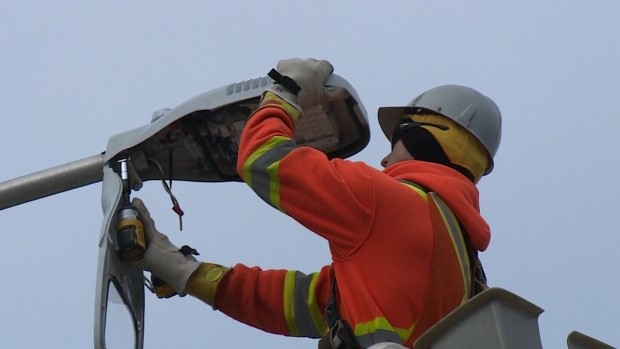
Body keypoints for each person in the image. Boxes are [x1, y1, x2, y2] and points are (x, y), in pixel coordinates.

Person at [131, 58, 502, 348]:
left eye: (396, 144)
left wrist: (284, 92)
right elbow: (299, 303)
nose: (385, 161)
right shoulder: (463, 267)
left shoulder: (389, 203)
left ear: (426, 138)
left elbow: (261, 158)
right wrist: (187, 273)